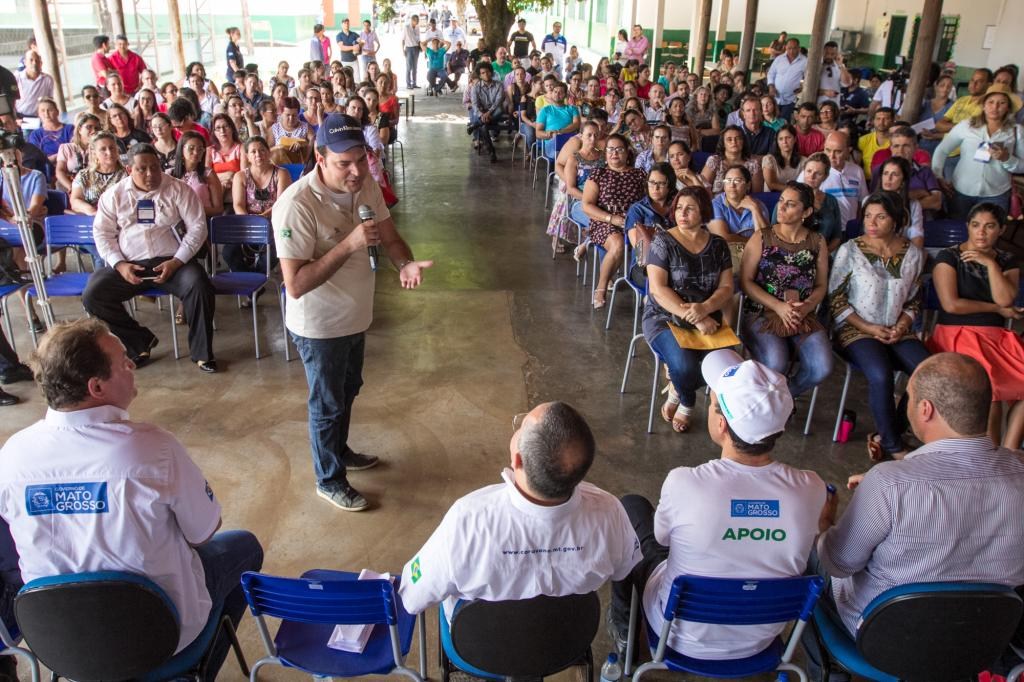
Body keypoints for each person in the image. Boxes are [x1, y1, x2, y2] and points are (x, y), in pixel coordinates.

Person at [0, 318, 264, 675]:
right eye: (122, 360)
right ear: (96, 387)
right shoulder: (153, 448)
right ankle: (192, 669)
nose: (131, 365)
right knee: (244, 547)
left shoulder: (12, 454)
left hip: (62, 644)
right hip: (161, 636)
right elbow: (202, 533)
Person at [807, 352, 1024, 680]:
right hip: (981, 642)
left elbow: (839, 563)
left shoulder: (889, 483)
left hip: (886, 640)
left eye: (908, 397)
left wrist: (823, 525)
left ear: (926, 410)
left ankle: (827, 671)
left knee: (813, 558)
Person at [607, 347, 827, 660]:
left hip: (677, 633)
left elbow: (661, 539)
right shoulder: (811, 487)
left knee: (631, 509)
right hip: (760, 640)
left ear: (721, 424)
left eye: (711, 404)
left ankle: (625, 628)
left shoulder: (684, 482)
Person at [273, 114, 431, 512]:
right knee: (326, 403)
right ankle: (328, 478)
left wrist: (404, 264)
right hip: (319, 324)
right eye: (344, 163)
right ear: (320, 157)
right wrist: (350, 244)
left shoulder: (368, 188)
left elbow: (392, 238)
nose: (357, 171)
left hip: (356, 316)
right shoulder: (296, 204)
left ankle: (339, 451)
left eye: (361, 159)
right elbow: (296, 284)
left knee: (347, 390)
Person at [398, 401, 640, 620]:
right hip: (564, 643)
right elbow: (625, 568)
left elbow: (412, 596)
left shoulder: (467, 519)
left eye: (521, 427)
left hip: (482, 650)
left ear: (518, 461)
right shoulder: (610, 512)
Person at [83, 144, 218, 373]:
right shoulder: (114, 195)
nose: (150, 174)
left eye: (154, 167)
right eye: (142, 169)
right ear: (128, 169)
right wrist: (120, 264)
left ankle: (202, 353)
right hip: (130, 263)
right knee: (94, 294)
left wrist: (177, 261)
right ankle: (138, 342)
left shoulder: (179, 189)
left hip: (172, 262)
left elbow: (197, 228)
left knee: (199, 286)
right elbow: (102, 233)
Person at [828, 191, 928, 461]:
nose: (871, 223)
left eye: (880, 217)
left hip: (899, 328)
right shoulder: (850, 250)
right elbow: (835, 300)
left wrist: (903, 324)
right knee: (881, 373)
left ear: (895, 221)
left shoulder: (914, 255)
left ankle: (888, 432)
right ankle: (895, 447)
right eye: (868, 216)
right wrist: (869, 328)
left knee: (928, 373)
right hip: (856, 329)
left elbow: (915, 300)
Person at [927, 203, 1024, 447]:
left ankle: (1009, 453)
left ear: (1001, 230)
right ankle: (987, 458)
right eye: (976, 225)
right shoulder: (949, 256)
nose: (981, 232)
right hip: (957, 333)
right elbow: (951, 305)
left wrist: (990, 264)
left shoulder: (1006, 260)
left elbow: (1006, 298)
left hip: (997, 338)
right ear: (967, 227)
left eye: (990, 226)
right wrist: (996, 309)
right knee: (989, 389)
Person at [639, 187, 731, 431]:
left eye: (690, 208)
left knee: (728, 369)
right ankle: (686, 401)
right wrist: (696, 317)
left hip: (708, 316)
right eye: (679, 207)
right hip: (664, 317)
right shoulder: (663, 241)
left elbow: (726, 287)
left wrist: (705, 308)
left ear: (703, 212)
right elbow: (658, 290)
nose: (682, 213)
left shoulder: (719, 245)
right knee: (686, 367)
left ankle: (677, 386)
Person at [740, 181, 833, 401]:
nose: (781, 207)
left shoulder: (817, 241)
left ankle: (783, 397)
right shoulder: (762, 237)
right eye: (781, 201)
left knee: (823, 366)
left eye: (790, 204)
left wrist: (808, 306)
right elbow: (746, 282)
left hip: (801, 314)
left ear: (806, 212)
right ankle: (759, 403)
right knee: (776, 362)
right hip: (762, 312)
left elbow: (821, 285)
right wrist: (779, 307)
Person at [933, 83, 1024, 220]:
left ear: (1008, 107)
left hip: (996, 194)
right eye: (991, 102)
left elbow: (1023, 165)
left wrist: (1007, 158)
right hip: (961, 191)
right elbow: (942, 150)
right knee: (959, 231)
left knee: (988, 235)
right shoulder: (966, 126)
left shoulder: (1016, 131)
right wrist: (938, 176)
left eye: (1002, 103)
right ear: (983, 105)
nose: (995, 107)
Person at [580, 134, 647, 309]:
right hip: (605, 221)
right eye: (610, 149)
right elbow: (586, 206)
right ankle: (601, 288)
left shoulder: (639, 174)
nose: (614, 153)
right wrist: (613, 219)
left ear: (627, 152)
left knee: (650, 246)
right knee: (617, 243)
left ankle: (648, 291)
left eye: (619, 149)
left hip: (634, 222)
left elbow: (649, 200)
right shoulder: (599, 174)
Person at [226, 136, 290, 280]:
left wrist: (262, 218)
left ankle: (255, 281)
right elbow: (238, 205)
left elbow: (281, 204)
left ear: (269, 152)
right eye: (253, 152)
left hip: (275, 224)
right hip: (248, 224)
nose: (258, 155)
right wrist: (251, 222)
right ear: (247, 156)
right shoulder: (240, 176)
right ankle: (250, 283)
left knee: (276, 252)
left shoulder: (281, 173)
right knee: (229, 253)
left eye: (262, 150)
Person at [551, 120, 605, 255]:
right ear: (581, 135)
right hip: (580, 201)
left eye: (596, 135)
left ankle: (587, 244)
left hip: (601, 201)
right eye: (589, 135)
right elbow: (571, 188)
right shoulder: (574, 159)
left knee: (607, 222)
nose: (593, 139)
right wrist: (590, 199)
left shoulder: (603, 157)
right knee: (603, 223)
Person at [799, 131, 866, 226]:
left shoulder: (857, 171)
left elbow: (861, 203)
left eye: (838, 151)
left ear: (849, 150)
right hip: (824, 230)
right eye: (828, 150)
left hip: (851, 229)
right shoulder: (810, 171)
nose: (831, 156)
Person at [69, 131, 126, 222]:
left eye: (112, 148)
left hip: (120, 221)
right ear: (94, 153)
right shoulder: (84, 175)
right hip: (91, 222)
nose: (109, 152)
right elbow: (75, 201)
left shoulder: (127, 174)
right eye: (103, 149)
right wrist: (92, 211)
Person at [874, 157, 924, 249]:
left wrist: (911, 258)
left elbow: (917, 237)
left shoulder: (913, 205)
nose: (888, 178)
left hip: (903, 251)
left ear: (903, 181)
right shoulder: (869, 201)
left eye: (895, 174)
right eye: (885, 173)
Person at [799, 152, 843, 252]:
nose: (812, 176)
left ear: (825, 176)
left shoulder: (832, 201)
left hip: (825, 253)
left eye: (818, 173)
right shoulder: (789, 197)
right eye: (809, 171)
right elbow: (775, 230)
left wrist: (824, 255)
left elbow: (837, 236)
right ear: (804, 171)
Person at [701, 125, 764, 194]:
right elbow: (703, 189)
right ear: (723, 143)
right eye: (729, 139)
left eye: (738, 138)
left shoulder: (753, 165)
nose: (734, 142)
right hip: (715, 202)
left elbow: (758, 195)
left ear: (743, 142)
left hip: (744, 203)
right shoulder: (714, 161)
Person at [469, 62, 507, 164]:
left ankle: (475, 125)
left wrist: (489, 112)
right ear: (480, 75)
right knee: (484, 127)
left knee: (500, 109)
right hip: (483, 113)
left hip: (495, 112)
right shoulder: (475, 87)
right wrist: (482, 114)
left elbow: (498, 102)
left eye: (488, 72)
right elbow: (475, 104)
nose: (486, 74)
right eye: (483, 73)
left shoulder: (499, 85)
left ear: (491, 72)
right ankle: (492, 152)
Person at [55, 113, 99, 192]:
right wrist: (71, 187)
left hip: (95, 187)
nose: (94, 131)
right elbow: (59, 171)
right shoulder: (67, 148)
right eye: (89, 127)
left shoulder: (100, 148)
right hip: (71, 187)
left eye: (97, 128)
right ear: (79, 129)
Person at [27, 98, 72, 172]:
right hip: (47, 172)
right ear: (38, 114)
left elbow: (74, 150)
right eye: (42, 111)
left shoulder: (69, 129)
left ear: (57, 112)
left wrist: (53, 158)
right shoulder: (35, 135)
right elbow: (36, 159)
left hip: (70, 168)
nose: (46, 114)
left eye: (50, 110)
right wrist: (59, 156)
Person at [767, 38, 807, 122]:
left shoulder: (805, 61)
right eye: (789, 48)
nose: (791, 51)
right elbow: (771, 73)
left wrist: (802, 86)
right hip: (775, 98)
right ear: (785, 47)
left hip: (791, 99)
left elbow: (807, 78)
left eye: (794, 48)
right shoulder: (779, 59)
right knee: (772, 121)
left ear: (799, 48)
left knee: (784, 122)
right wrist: (771, 86)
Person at [917, 74, 955, 155]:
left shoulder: (953, 107)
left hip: (940, 149)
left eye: (949, 86)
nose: (945, 89)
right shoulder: (925, 104)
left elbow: (956, 131)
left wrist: (935, 135)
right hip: (919, 146)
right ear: (936, 86)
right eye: (942, 85)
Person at [857, 107, 894, 180]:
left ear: (893, 121)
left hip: (889, 180)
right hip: (866, 181)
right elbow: (857, 164)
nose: (881, 122)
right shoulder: (863, 140)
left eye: (886, 119)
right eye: (878, 119)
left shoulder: (896, 141)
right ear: (873, 121)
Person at [762, 124, 802, 191]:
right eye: (781, 139)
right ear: (777, 142)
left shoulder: (804, 161)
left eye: (788, 138)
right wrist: (794, 190)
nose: (784, 142)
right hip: (771, 197)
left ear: (795, 139)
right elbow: (771, 184)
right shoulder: (769, 159)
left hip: (794, 198)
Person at [14, 51, 54, 117]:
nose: (34, 63)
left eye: (37, 60)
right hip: (20, 116)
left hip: (40, 117)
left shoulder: (47, 79)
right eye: (31, 60)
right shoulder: (17, 78)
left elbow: (49, 100)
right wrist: (15, 118)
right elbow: (11, 100)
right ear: (25, 62)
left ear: (41, 63)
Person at [817, 41, 852, 106]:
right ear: (823, 52)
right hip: (817, 105)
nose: (829, 56)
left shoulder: (839, 66)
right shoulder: (816, 65)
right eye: (827, 53)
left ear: (836, 54)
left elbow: (847, 83)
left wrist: (841, 65)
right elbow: (808, 88)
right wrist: (824, 92)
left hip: (834, 106)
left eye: (832, 54)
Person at [403, 15, 421, 89]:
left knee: (415, 67)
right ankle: (408, 84)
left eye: (417, 21)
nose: (417, 22)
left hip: (416, 48)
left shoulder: (417, 27)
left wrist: (420, 47)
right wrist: (403, 50)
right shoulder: (406, 27)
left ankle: (414, 83)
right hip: (409, 48)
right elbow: (403, 39)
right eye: (416, 21)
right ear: (412, 20)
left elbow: (418, 38)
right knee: (408, 67)